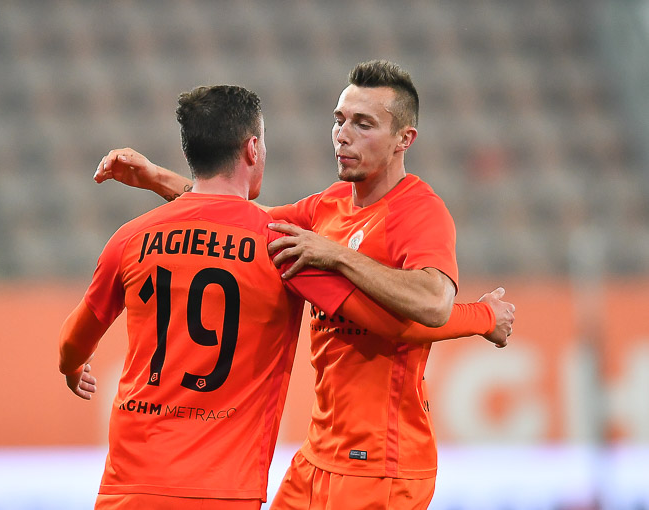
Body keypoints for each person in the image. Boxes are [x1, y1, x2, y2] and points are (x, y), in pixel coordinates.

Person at [87, 63, 515, 509]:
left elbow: (434, 302)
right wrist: (156, 178)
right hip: (318, 455)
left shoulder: (420, 211)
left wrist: (337, 255)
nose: (343, 135)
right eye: (339, 120)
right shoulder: (329, 204)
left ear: (403, 139)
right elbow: (243, 221)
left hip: (382, 464)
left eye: (363, 124)